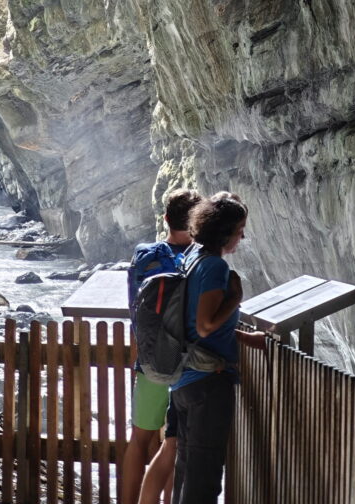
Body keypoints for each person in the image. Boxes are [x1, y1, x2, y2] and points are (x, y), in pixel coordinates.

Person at [170, 191, 265, 504]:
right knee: (204, 478)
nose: (242, 236)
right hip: (207, 383)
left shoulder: (193, 257)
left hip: (185, 379)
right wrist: (235, 298)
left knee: (187, 469)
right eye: (239, 230)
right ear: (224, 231)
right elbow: (205, 325)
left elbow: (198, 326)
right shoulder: (214, 267)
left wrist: (244, 336)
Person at [122, 188, 202, 504]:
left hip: (151, 359)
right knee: (175, 443)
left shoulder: (145, 254)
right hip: (187, 363)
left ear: (166, 218)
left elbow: (133, 303)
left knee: (139, 440)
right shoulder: (198, 260)